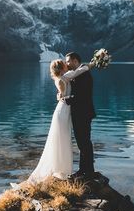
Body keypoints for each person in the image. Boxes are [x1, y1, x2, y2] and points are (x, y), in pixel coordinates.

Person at [28, 59, 94, 183]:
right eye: (65, 64)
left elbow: (65, 89)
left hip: (63, 110)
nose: (67, 66)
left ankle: (61, 168)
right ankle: (61, 170)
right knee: (62, 139)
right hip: (63, 111)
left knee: (62, 139)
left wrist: (62, 96)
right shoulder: (64, 77)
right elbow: (80, 71)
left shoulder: (60, 78)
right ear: (61, 68)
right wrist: (91, 64)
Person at [64, 52, 96, 180]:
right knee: (82, 143)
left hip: (83, 113)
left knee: (85, 143)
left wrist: (67, 99)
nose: (66, 64)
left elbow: (82, 96)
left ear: (75, 61)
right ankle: (84, 170)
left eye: (68, 61)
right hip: (80, 113)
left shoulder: (84, 75)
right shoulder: (80, 73)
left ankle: (88, 171)